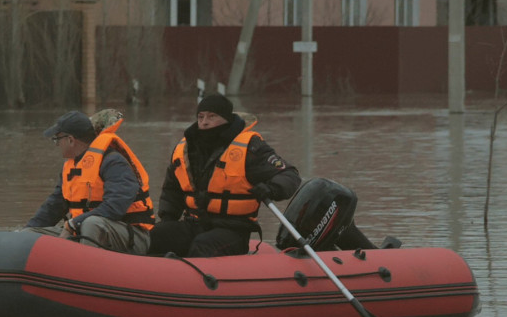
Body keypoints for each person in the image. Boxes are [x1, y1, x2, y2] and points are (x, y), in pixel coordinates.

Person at [148, 94, 301, 257]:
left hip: (233, 230)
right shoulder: (186, 149)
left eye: (211, 116)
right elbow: (172, 190)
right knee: (156, 235)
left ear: (226, 119)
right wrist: (168, 218)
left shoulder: (249, 148)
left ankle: (191, 279)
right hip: (194, 224)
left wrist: (271, 189)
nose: (204, 122)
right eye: (200, 117)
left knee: (203, 246)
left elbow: (289, 175)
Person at [24, 110, 153, 254]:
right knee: (30, 233)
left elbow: (115, 207)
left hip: (132, 236)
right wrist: (23, 233)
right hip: (82, 230)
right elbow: (53, 207)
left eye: (57, 139)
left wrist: (73, 224)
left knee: (91, 223)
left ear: (71, 140)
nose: (57, 144)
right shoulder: (71, 168)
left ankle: (84, 269)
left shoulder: (113, 162)